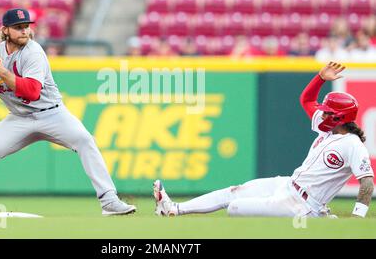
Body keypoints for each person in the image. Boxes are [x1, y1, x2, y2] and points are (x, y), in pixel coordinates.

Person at [0, 8, 136, 217]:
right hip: (18, 118)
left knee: (84, 140)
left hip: (52, 114)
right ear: (5, 30)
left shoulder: (33, 51)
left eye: (26, 26)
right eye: (18, 28)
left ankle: (109, 200)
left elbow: (32, 92)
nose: (24, 31)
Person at [153, 62, 374, 218]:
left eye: (327, 112)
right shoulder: (327, 129)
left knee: (235, 208)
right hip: (288, 184)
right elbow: (306, 99)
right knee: (235, 191)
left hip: (303, 205)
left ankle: (320, 218)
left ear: (340, 117)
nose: (322, 114)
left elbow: (367, 182)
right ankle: (174, 209)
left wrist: (358, 216)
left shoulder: (352, 145)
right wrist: (320, 79)